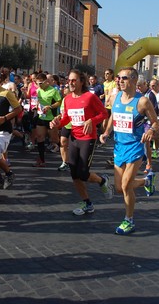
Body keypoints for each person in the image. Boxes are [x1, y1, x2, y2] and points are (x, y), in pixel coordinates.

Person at [99, 67, 158, 235]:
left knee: (126, 185)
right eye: (118, 78)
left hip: (135, 146)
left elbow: (155, 123)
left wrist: (150, 131)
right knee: (119, 188)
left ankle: (129, 220)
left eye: (123, 78)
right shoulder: (116, 96)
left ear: (133, 80)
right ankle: (147, 181)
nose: (119, 80)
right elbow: (113, 116)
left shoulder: (142, 102)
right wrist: (106, 132)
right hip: (119, 146)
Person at [50, 69, 112, 216]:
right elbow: (67, 119)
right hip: (74, 138)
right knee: (74, 174)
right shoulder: (68, 98)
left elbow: (104, 113)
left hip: (88, 138)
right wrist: (56, 123)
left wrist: (92, 120)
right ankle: (87, 203)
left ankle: (102, 180)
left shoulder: (90, 97)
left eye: (74, 80)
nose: (70, 83)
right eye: (69, 80)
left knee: (83, 173)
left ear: (81, 82)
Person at [33, 73, 62, 167]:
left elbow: (59, 101)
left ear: (46, 81)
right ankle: (41, 160)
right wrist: (37, 105)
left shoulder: (53, 90)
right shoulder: (38, 90)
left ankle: (66, 158)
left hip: (51, 118)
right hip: (41, 117)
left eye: (41, 83)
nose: (39, 85)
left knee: (54, 139)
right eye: (37, 83)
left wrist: (50, 106)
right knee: (39, 137)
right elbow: (38, 100)